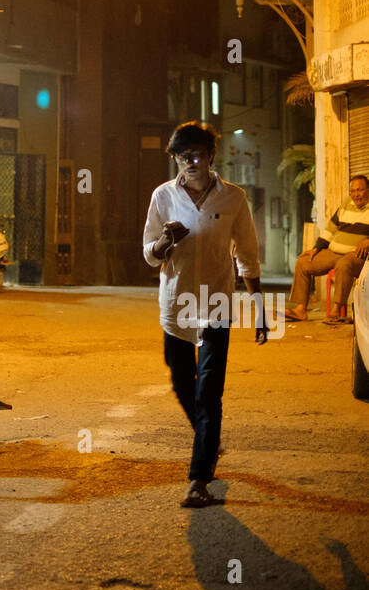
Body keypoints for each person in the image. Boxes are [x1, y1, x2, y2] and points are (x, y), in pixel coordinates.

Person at [142, 121, 266, 509]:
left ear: (212, 155)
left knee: (209, 391)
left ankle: (198, 478)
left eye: (196, 154)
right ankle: (207, 441)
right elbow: (148, 251)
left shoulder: (233, 198)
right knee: (183, 385)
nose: (190, 162)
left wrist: (259, 309)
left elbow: (247, 253)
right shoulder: (163, 196)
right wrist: (164, 241)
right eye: (182, 156)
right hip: (175, 304)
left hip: (216, 304)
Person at [286, 174, 369, 325]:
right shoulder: (346, 203)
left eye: (360, 190)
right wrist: (316, 248)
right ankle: (300, 310)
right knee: (304, 261)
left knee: (344, 264)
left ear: (368, 190)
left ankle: (336, 311)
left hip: (355, 255)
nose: (356, 194)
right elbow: (331, 229)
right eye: (353, 191)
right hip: (333, 251)